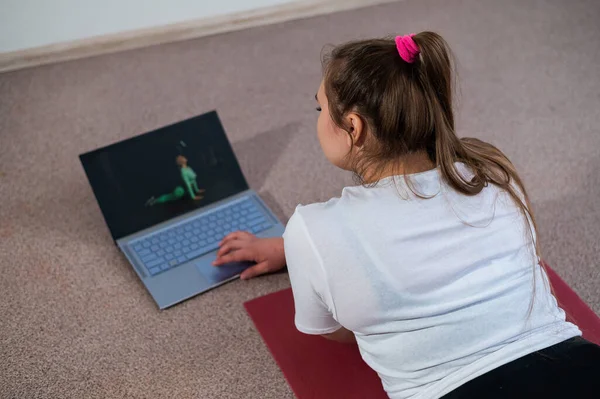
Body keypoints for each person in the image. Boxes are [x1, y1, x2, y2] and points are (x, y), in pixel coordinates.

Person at [213, 32, 600, 398]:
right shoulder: (493, 175)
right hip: (579, 365)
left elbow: (336, 330)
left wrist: (307, 252)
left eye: (320, 107)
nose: (317, 118)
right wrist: (295, 250)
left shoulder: (311, 229)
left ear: (353, 127)